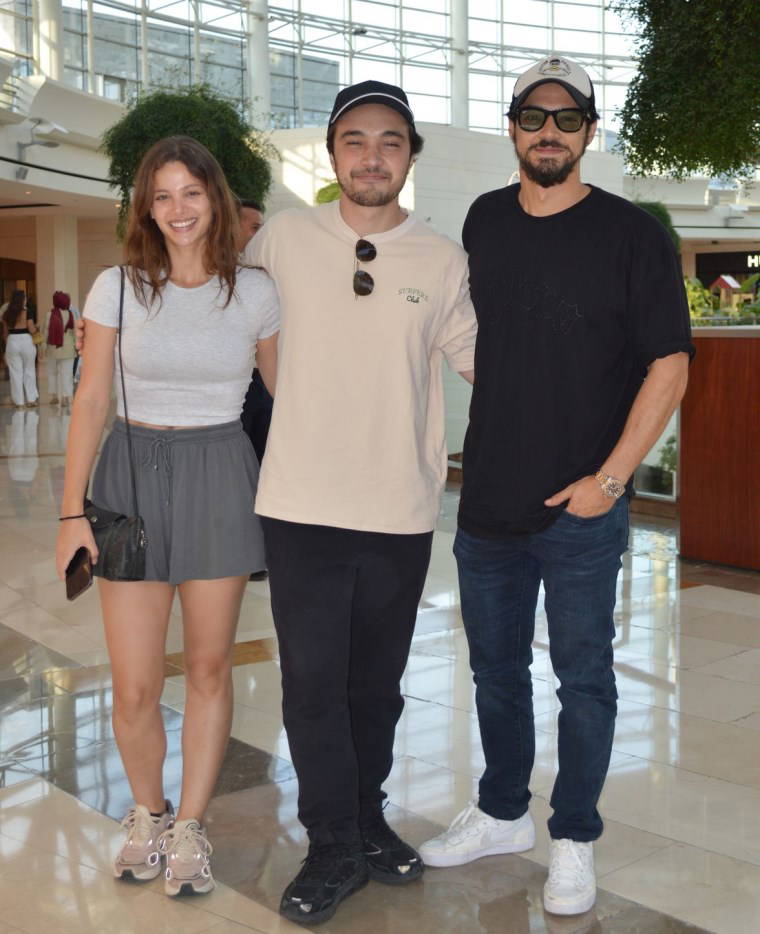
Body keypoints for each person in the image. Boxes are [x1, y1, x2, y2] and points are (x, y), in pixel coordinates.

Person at [418, 55, 694, 917]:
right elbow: (476, 334)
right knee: (495, 672)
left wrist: (609, 482)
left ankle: (573, 836)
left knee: (585, 679)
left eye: (567, 119)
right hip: (488, 500)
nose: (549, 132)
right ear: (512, 128)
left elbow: (670, 366)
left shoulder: (632, 234)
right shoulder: (484, 219)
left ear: (589, 132)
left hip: (582, 509)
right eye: (534, 117)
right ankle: (504, 812)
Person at [243, 81, 477, 925]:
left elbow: (483, 360)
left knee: (376, 686)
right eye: (355, 140)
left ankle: (367, 817)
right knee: (313, 685)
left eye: (389, 141)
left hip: (398, 508)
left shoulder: (441, 259)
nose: (371, 156)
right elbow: (242, 332)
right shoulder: (282, 238)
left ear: (410, 156)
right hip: (301, 504)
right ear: (334, 153)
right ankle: (332, 842)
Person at [56, 135, 279, 898]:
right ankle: (147, 814)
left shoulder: (255, 293)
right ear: (145, 208)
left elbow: (286, 395)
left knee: (211, 668)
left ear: (215, 198)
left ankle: (189, 825)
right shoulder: (116, 288)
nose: (178, 209)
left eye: (191, 192)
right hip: (129, 477)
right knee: (134, 684)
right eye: (162, 196)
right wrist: (70, 513)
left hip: (219, 472)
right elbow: (91, 400)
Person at [236, 199, 273, 581]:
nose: (259, 234)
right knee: (240, 469)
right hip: (236, 389)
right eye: (253, 226)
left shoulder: (266, 276)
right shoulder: (212, 276)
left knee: (263, 464)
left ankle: (259, 553)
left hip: (265, 382)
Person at [2, 290, 39, 408]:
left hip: (12, 341)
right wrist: (37, 328)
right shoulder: (27, 312)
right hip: (26, 340)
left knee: (15, 373)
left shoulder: (6, 313)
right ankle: (31, 399)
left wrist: (8, 347)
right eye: (25, 298)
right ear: (22, 299)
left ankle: (19, 402)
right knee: (29, 370)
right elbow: (31, 329)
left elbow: (5, 334)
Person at [43, 291, 77, 405]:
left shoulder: (50, 314)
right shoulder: (71, 314)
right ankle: (65, 398)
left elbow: (46, 331)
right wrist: (77, 345)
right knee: (67, 374)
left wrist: (43, 346)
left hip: (53, 348)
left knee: (52, 372)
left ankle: (54, 397)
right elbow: (74, 332)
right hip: (68, 349)